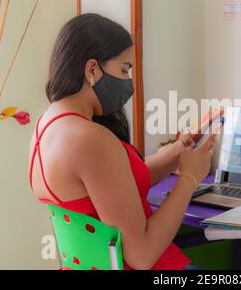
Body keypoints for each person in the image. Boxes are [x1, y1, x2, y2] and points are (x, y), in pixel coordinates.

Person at [28, 14, 216, 270]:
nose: (129, 81)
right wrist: (190, 178)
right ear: (92, 69)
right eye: (125, 69)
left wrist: (179, 149)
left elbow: (117, 188)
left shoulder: (47, 126)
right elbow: (142, 256)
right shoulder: (90, 139)